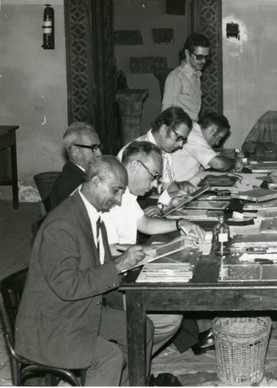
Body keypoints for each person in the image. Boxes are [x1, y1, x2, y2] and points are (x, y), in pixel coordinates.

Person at [15, 156, 154, 386]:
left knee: (140, 328)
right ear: (96, 181)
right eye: (116, 190)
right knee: (109, 357)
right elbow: (68, 286)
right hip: (53, 324)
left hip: (80, 310)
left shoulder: (89, 214)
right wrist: (119, 265)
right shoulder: (63, 223)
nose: (119, 199)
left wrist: (133, 262)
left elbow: (97, 267)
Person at [103, 141, 205, 356]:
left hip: (126, 269)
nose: (155, 184)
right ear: (133, 166)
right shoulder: (107, 196)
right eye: (153, 175)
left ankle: (132, 360)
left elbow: (144, 224)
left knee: (184, 271)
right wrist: (160, 249)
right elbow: (110, 252)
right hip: (110, 282)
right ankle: (130, 364)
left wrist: (180, 224)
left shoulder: (127, 194)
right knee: (170, 317)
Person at [119, 107, 196, 206]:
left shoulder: (166, 151)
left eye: (183, 140)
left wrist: (182, 194)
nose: (181, 145)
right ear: (164, 129)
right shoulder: (135, 152)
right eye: (179, 137)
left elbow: (168, 186)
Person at [171, 111, 243, 183]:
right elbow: (219, 164)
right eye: (219, 138)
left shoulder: (193, 128)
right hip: (176, 186)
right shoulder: (195, 136)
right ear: (212, 130)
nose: (217, 143)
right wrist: (234, 163)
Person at [50, 122, 102, 209]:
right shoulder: (70, 185)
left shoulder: (81, 174)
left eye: (99, 147)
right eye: (93, 148)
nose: (99, 153)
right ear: (75, 151)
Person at [161, 33, 210, 121]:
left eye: (206, 57)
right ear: (187, 53)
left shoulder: (196, 76)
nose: (203, 61)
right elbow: (166, 113)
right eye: (199, 57)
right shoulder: (176, 77)